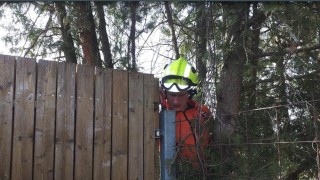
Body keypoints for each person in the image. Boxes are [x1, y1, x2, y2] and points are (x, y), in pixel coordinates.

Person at [159, 57, 213, 175]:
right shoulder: (159, 119)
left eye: (181, 95)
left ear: (190, 93)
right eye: (172, 95)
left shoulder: (203, 112)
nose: (176, 101)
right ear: (165, 94)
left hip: (207, 174)